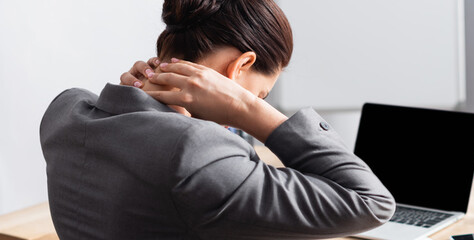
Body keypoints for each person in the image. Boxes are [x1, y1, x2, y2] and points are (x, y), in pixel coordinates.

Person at [39, 0, 396, 239]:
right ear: (241, 66)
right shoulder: (195, 152)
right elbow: (370, 202)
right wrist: (248, 109)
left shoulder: (67, 112)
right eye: (259, 95)